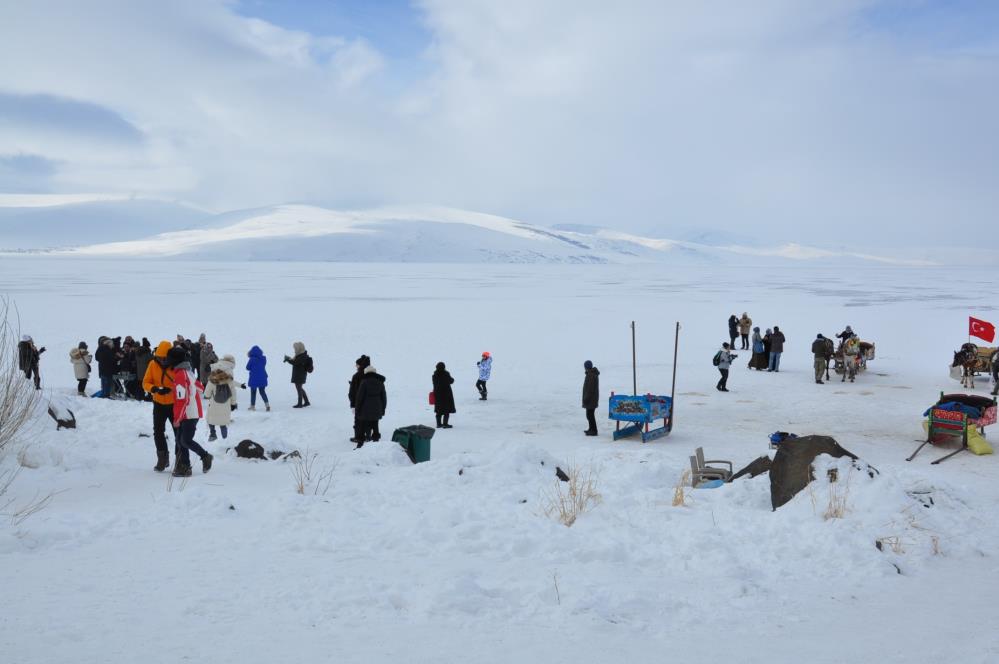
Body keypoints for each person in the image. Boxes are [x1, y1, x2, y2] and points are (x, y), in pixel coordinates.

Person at [166, 346, 212, 477]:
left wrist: (177, 418)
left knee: (185, 441)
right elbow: (200, 388)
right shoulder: (188, 372)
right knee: (180, 440)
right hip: (191, 412)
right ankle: (184, 467)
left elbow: (182, 400)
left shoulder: (180, 375)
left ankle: (205, 456)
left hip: (188, 414)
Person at [142, 341, 178, 472]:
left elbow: (183, 385)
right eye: (159, 357)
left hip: (174, 405)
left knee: (178, 433)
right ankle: (163, 459)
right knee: (158, 432)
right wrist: (155, 389)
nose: (162, 360)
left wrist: (171, 390)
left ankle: (179, 461)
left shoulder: (176, 366)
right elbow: (145, 382)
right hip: (158, 404)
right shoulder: (152, 364)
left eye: (164, 358)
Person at [203, 354, 237, 441]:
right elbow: (233, 393)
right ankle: (225, 439)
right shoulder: (229, 380)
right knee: (223, 423)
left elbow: (206, 394)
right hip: (225, 405)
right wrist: (233, 404)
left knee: (211, 420)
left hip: (214, 404)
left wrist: (208, 396)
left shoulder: (212, 380)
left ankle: (213, 434)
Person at [354, 365, 386, 448]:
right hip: (377, 410)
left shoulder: (364, 382)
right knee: (375, 427)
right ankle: (376, 445)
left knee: (362, 428)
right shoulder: (380, 382)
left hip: (365, 411)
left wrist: (357, 410)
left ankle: (359, 446)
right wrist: (383, 409)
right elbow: (384, 398)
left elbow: (359, 398)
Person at [349, 355, 372, 443]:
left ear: (360, 365)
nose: (356, 366)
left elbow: (353, 392)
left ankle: (359, 437)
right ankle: (368, 436)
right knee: (368, 419)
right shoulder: (372, 374)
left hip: (359, 402)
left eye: (357, 365)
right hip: (370, 402)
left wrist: (352, 404)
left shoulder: (356, 376)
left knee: (358, 420)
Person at [284, 341, 313, 408]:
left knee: (299, 388)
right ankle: (306, 402)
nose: (294, 350)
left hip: (299, 375)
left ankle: (300, 403)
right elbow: (296, 362)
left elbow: (295, 363)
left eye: (295, 348)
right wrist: (289, 359)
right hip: (299, 375)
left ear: (299, 348)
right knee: (300, 388)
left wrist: (288, 360)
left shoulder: (302, 356)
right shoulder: (301, 355)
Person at [246, 345, 270, 411]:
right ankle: (267, 405)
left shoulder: (252, 359)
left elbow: (247, 367)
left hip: (254, 378)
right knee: (262, 392)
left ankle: (252, 406)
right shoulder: (263, 358)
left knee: (253, 392)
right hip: (263, 377)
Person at [432, 362, 456, 429]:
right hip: (446, 394)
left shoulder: (434, 375)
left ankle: (439, 424)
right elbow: (451, 381)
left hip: (437, 394)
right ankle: (445, 424)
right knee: (446, 409)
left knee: (439, 409)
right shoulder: (446, 374)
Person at [582, 360, 600, 436]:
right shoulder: (591, 374)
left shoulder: (591, 375)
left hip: (591, 399)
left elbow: (590, 389)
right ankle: (591, 429)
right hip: (592, 399)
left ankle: (594, 431)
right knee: (589, 415)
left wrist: (586, 398)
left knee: (590, 415)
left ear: (587, 367)